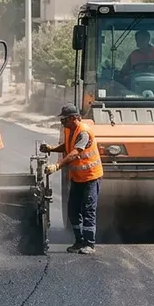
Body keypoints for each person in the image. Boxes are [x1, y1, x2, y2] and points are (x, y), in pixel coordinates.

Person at [40, 104, 103, 254]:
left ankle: (89, 244)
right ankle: (79, 241)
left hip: (90, 177)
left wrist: (57, 166)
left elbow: (74, 153)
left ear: (74, 118)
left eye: (64, 119)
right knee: (73, 210)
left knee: (88, 210)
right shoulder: (69, 130)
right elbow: (67, 147)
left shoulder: (84, 132)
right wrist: (51, 148)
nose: (62, 123)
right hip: (77, 177)